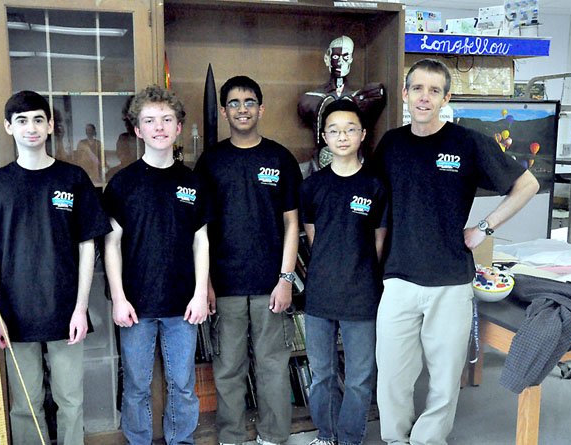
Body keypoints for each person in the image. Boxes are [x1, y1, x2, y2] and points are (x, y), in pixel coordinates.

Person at [371, 58, 540, 445]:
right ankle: (396, 439)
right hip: (398, 278)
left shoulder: (466, 142)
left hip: (450, 280)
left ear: (446, 97)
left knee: (444, 379)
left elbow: (527, 184)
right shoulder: (392, 144)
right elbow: (376, 208)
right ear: (405, 93)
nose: (424, 97)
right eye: (417, 88)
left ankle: (427, 440)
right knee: (393, 375)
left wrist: (485, 227)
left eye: (434, 90)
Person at [0, 90, 112, 445]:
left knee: (70, 400)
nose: (31, 128)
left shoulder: (73, 180)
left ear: (51, 126)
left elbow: (88, 247)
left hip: (65, 311)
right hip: (14, 313)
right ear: (8, 127)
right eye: (22, 120)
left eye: (39, 120)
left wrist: (81, 310)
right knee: (24, 404)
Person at [194, 75, 302, 445]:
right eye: (235, 103)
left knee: (273, 365)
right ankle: (231, 437)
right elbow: (200, 230)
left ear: (261, 108)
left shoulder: (280, 158)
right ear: (224, 111)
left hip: (271, 284)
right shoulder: (210, 161)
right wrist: (204, 282)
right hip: (224, 285)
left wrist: (286, 278)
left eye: (249, 102)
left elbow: (293, 223)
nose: (243, 109)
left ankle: (274, 436)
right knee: (227, 369)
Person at [103, 85, 209, 444]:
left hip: (183, 305)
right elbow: (111, 244)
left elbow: (201, 241)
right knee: (135, 384)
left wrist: (199, 294)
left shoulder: (193, 182)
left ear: (179, 127)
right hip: (135, 304)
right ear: (138, 130)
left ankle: (182, 440)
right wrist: (118, 297)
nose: (159, 127)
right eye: (150, 120)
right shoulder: (122, 184)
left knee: (182, 384)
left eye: (167, 119)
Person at [299, 100, 387, 445]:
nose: (342, 136)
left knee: (359, 377)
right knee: (321, 374)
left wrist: (357, 269)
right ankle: (325, 434)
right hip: (320, 293)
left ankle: (350, 438)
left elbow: (378, 242)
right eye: (334, 130)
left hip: (362, 293)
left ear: (363, 135)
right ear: (324, 137)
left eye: (350, 129)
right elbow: (313, 236)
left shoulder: (375, 186)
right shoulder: (312, 186)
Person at [298, 35, 384, 167]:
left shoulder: (362, 95)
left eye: (345, 57)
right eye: (336, 57)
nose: (340, 62)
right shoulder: (310, 98)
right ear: (328, 59)